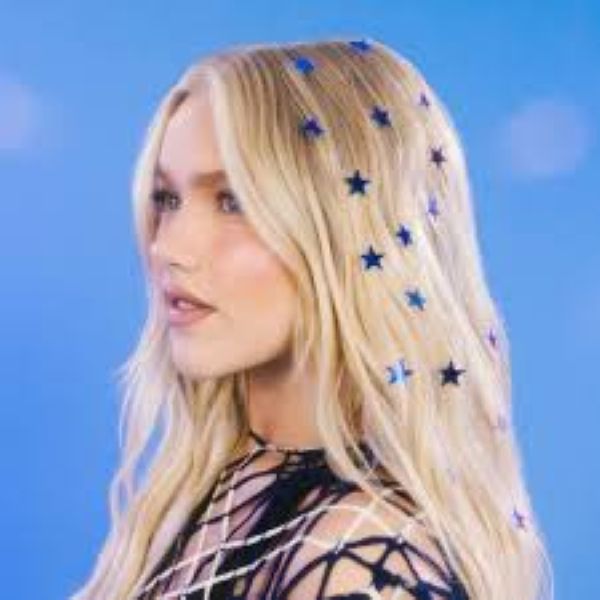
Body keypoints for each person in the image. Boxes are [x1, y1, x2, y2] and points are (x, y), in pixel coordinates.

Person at [70, 37, 553, 599]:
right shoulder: (212, 493)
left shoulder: (362, 561)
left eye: (233, 201)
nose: (167, 248)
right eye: (167, 199)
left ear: (353, 231)